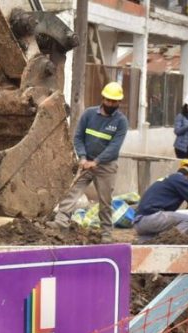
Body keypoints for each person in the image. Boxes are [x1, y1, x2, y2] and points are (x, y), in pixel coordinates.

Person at [47, 82, 128, 243]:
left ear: (119, 102)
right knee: (72, 192)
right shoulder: (89, 115)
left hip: (106, 166)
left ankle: (106, 232)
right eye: (109, 100)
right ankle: (61, 221)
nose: (112, 104)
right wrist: (83, 158)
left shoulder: (121, 121)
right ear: (103, 98)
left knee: (105, 201)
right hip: (86, 162)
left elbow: (114, 147)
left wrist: (97, 161)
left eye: (115, 101)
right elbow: (78, 137)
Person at [133, 159, 188, 241]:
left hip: (139, 223)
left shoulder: (170, 179)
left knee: (151, 241)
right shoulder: (181, 180)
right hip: (151, 219)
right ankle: (170, 242)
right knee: (186, 219)